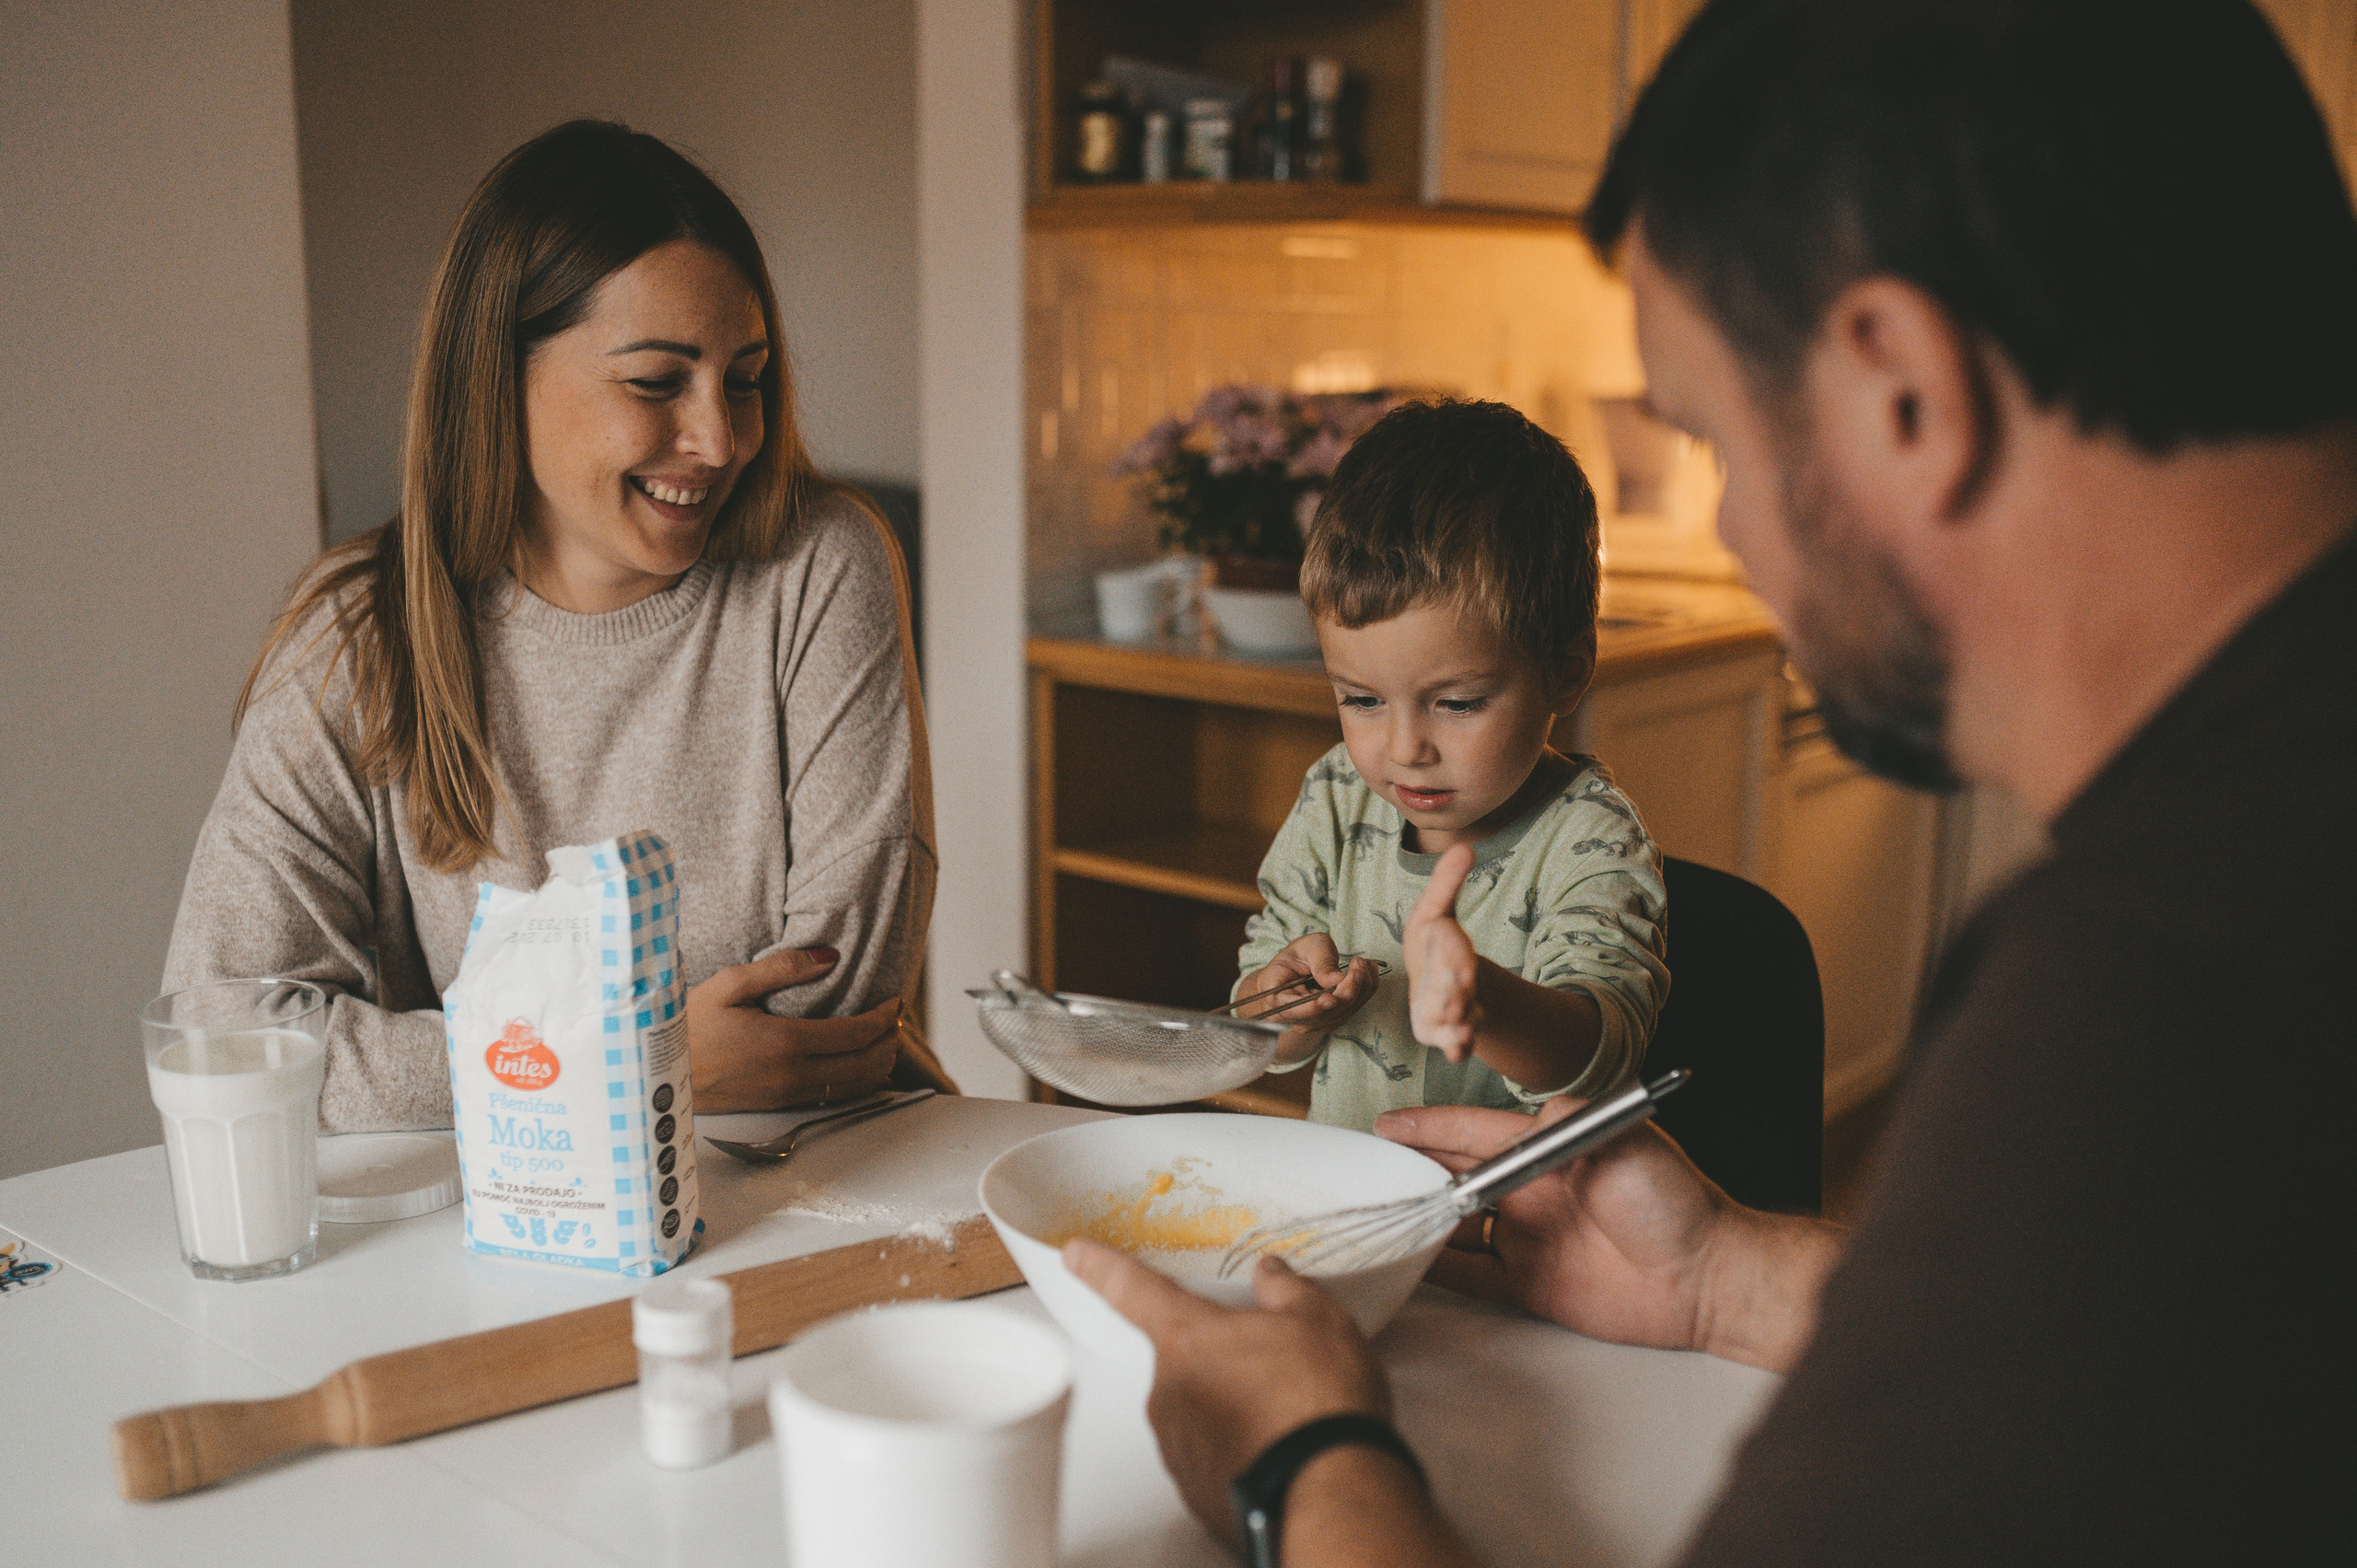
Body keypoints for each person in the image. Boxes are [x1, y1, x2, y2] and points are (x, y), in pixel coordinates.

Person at [1066, 1, 2355, 1563]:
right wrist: (1724, 1275)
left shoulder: (2172, 991)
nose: (1732, 531)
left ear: (1904, 388)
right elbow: (2143, 1358)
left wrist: (1304, 1458)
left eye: (1718, 440)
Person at [164, 121, 944, 1130]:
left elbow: (828, 1013)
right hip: (517, 1216)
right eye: (655, 381)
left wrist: (504, 1067)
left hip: (831, 1169)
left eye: (745, 378)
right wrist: (637, 1056)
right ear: (498, 376)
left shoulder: (820, 567)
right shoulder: (359, 635)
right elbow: (222, 1035)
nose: (719, 439)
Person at [1231, 401, 1668, 1132]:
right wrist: (1282, 1008)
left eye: (1458, 703)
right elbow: (1258, 1029)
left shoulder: (1589, 838)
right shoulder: (1338, 794)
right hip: (1348, 1192)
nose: (1405, 748)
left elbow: (1598, 1056)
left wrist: (1482, 999)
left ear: (1566, 673)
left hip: (1513, 1205)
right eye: (1362, 699)